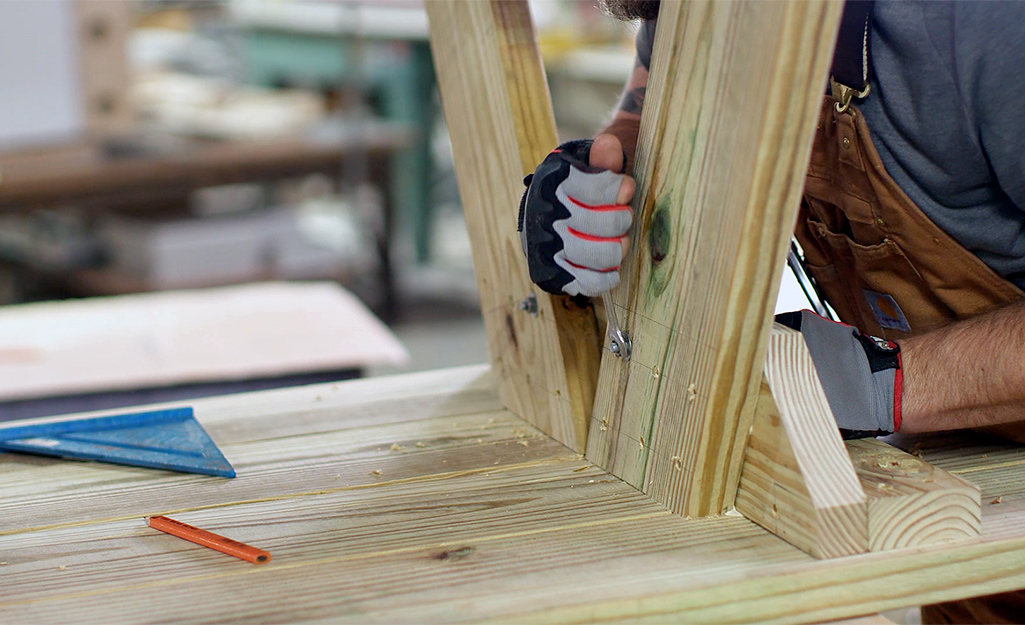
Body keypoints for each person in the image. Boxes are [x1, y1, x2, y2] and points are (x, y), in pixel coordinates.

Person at [518, 1, 1025, 622]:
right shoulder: (692, 8)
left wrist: (887, 382)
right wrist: (592, 181)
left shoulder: (987, 24)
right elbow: (644, 112)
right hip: (978, 540)